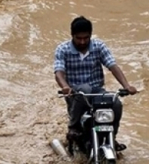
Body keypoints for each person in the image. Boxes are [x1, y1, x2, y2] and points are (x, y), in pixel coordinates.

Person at [54, 16, 138, 149]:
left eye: (86, 38)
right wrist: (65, 86)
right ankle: (73, 128)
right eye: (78, 38)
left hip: (97, 92)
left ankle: (111, 137)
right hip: (75, 94)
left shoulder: (99, 46)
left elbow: (112, 66)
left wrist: (126, 86)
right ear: (72, 35)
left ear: (90, 35)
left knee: (116, 104)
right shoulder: (62, 49)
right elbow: (59, 72)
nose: (82, 41)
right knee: (84, 89)